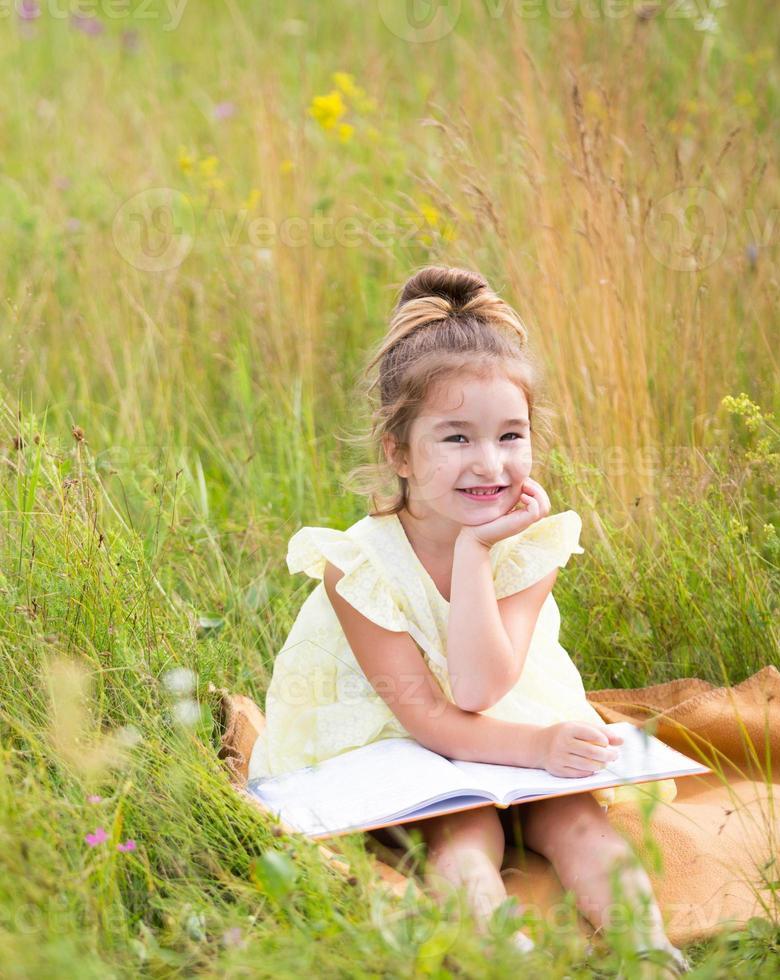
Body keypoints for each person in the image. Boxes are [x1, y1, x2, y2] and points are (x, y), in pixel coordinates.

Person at [247, 265, 690, 973]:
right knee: (466, 827)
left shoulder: (534, 546)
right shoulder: (357, 565)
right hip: (399, 731)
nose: (490, 464)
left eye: (511, 436)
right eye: (456, 439)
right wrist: (476, 548)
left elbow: (484, 684)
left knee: (574, 818)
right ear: (398, 451)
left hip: (505, 713)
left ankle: (649, 949)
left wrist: (481, 556)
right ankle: (504, 956)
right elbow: (431, 714)